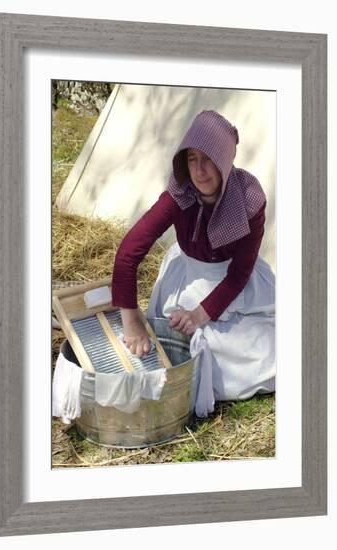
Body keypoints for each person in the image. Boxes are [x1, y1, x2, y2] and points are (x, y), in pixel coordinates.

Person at [111, 110, 275, 407]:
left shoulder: (249, 199)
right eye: (191, 159)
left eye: (209, 158)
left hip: (232, 284)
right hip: (187, 275)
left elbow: (239, 274)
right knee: (184, 343)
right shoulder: (179, 194)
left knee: (256, 350)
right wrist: (131, 320)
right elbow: (127, 254)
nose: (199, 171)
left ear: (225, 160)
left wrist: (200, 314)